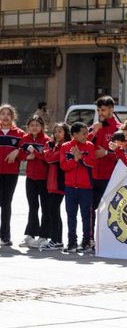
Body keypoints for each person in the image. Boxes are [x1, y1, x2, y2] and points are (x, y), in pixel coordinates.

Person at [60, 122, 96, 253]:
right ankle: (72, 242)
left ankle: (86, 242)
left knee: (86, 216)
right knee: (71, 216)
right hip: (70, 187)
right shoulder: (65, 147)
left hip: (85, 187)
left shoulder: (90, 146)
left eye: (87, 133)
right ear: (74, 134)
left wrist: (81, 158)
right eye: (83, 133)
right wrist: (75, 160)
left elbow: (92, 163)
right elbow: (63, 166)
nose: (86, 135)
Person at [18, 115, 50, 247]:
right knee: (33, 207)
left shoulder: (47, 140)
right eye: (32, 125)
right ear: (28, 127)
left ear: (42, 127)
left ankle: (43, 236)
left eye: (37, 125)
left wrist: (35, 153)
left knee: (45, 208)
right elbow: (20, 155)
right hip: (30, 178)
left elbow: (47, 158)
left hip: (44, 178)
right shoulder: (25, 139)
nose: (34, 127)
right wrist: (27, 156)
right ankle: (30, 235)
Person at [90, 96, 121, 221]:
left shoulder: (119, 129)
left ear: (111, 110)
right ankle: (89, 234)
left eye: (102, 110)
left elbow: (123, 155)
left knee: (109, 211)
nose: (100, 113)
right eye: (98, 110)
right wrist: (93, 132)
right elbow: (83, 146)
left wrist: (107, 153)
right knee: (89, 210)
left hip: (110, 177)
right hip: (92, 176)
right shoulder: (94, 127)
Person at [37, 121, 67, 250]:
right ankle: (56, 240)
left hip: (59, 183)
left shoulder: (64, 146)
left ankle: (56, 240)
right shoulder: (54, 145)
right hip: (52, 183)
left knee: (53, 211)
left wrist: (47, 151)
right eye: (55, 132)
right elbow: (47, 157)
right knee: (54, 212)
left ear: (66, 132)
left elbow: (50, 158)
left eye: (60, 131)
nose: (57, 134)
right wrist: (47, 151)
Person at [0, 104, 25, 247]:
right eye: (2, 113)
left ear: (13, 117)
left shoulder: (19, 134)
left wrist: (17, 151)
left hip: (11, 173)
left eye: (8, 114)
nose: (5, 116)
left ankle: (5, 236)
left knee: (6, 203)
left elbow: (25, 150)